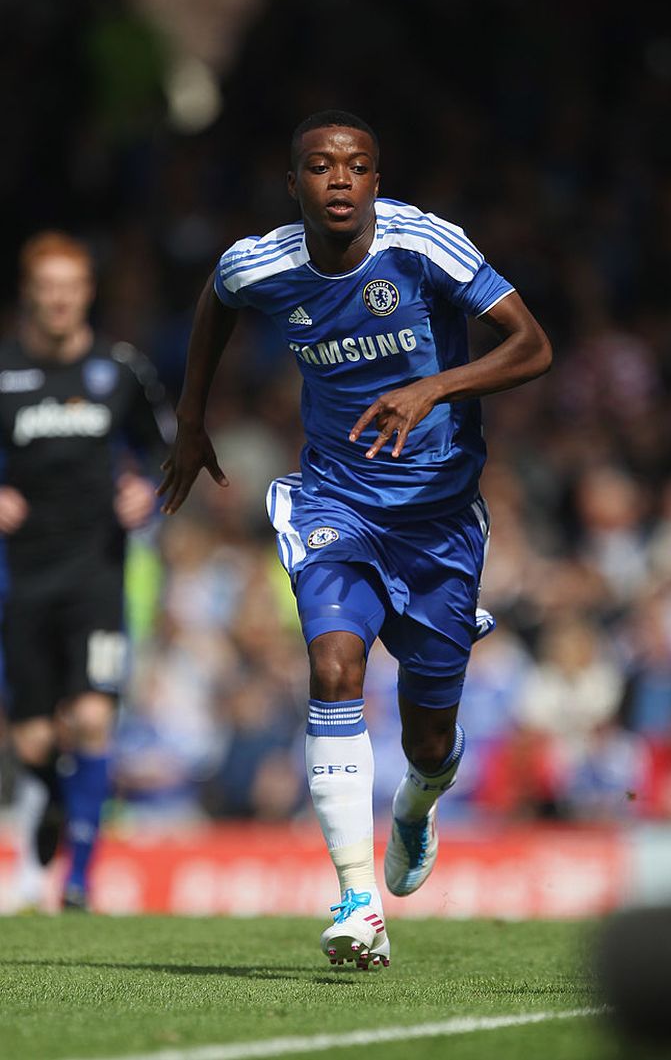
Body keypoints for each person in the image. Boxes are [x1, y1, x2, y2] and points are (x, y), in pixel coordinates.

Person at [159, 110, 552, 967]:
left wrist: (435, 387)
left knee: (429, 741)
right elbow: (217, 299)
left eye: (357, 165)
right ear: (292, 182)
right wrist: (191, 417)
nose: (339, 178)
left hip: (439, 521)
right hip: (336, 500)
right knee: (335, 664)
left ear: (377, 180)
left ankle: (417, 803)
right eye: (320, 165)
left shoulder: (425, 246)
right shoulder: (260, 262)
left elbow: (533, 345)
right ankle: (356, 900)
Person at [0, 231, 174, 910]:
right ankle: (52, 799)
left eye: (70, 288)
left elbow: (166, 450)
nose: (59, 300)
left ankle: (78, 879)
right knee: (33, 737)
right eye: (48, 288)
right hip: (22, 577)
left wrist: (144, 493)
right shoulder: (5, 371)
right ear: (29, 294)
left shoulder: (119, 369)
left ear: (87, 293)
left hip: (97, 572)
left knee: (93, 718)